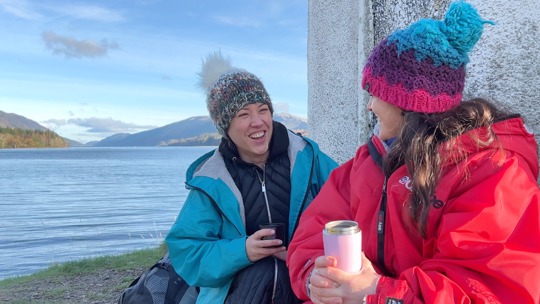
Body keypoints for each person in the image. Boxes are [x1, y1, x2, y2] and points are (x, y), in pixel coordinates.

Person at [287, 1, 540, 303]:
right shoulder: (364, 165)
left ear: (406, 104)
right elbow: (311, 234)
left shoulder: (492, 172)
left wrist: (378, 293)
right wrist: (317, 279)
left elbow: (488, 287)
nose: (369, 106)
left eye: (375, 93)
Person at [165, 51, 338, 304]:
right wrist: (243, 250)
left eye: (263, 110)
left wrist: (304, 250)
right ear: (226, 126)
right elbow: (188, 253)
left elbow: (351, 207)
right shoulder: (212, 179)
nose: (257, 122)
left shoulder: (308, 158)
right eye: (243, 114)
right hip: (238, 293)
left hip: (306, 285)